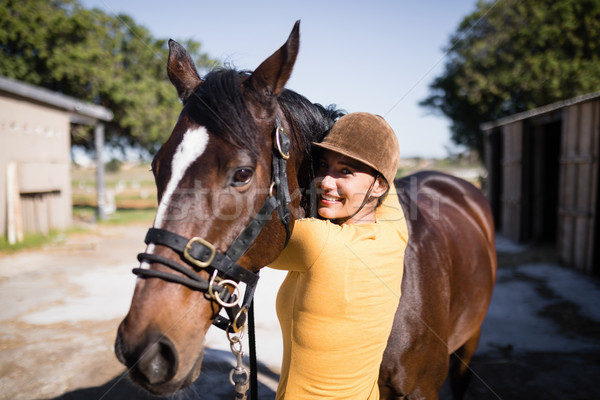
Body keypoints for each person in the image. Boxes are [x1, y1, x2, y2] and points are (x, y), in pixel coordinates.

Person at [269, 112, 409, 399]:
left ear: (379, 185)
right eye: (323, 166)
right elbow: (386, 175)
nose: (325, 182)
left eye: (345, 171)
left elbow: (243, 239)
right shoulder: (395, 236)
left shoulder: (316, 242)